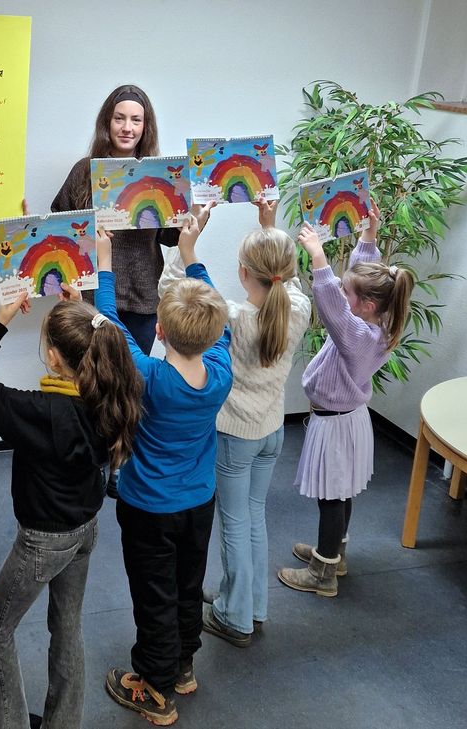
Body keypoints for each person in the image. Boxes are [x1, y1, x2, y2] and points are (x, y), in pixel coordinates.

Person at [0, 291, 142, 729]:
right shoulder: (109, 394)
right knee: (67, 627)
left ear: (52, 357)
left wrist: (0, 320)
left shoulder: (41, 412)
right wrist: (84, 309)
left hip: (43, 541)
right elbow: (100, 339)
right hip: (85, 529)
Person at [97, 204, 232, 727]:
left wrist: (104, 261)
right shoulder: (220, 370)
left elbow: (108, 323)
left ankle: (154, 688)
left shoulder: (150, 377)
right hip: (199, 502)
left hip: (149, 508)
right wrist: (192, 256)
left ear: (159, 329)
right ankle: (182, 666)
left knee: (154, 594)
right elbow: (213, 308)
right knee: (187, 583)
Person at [159, 198, 311, 647]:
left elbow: (172, 291)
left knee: (232, 522)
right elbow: (291, 277)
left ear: (244, 273)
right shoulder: (298, 307)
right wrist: (269, 225)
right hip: (272, 430)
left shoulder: (234, 318)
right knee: (254, 517)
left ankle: (235, 615)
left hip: (234, 437)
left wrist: (189, 244)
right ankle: (252, 604)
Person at [278, 205, 414, 597]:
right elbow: (363, 281)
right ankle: (333, 552)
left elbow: (333, 308)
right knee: (342, 490)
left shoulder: (357, 335)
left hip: (336, 424)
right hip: (348, 420)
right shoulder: (381, 320)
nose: (341, 290)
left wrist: (319, 257)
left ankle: (323, 574)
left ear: (366, 305)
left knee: (331, 497)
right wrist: (368, 237)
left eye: (348, 293)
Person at [51, 84, 178, 356]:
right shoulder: (84, 170)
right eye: (119, 118)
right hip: (91, 299)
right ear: (107, 122)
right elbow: (61, 229)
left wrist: (198, 211)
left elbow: (171, 237)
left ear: (146, 126)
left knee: (131, 382)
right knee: (89, 378)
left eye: (136, 120)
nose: (127, 127)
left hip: (142, 301)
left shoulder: (157, 174)